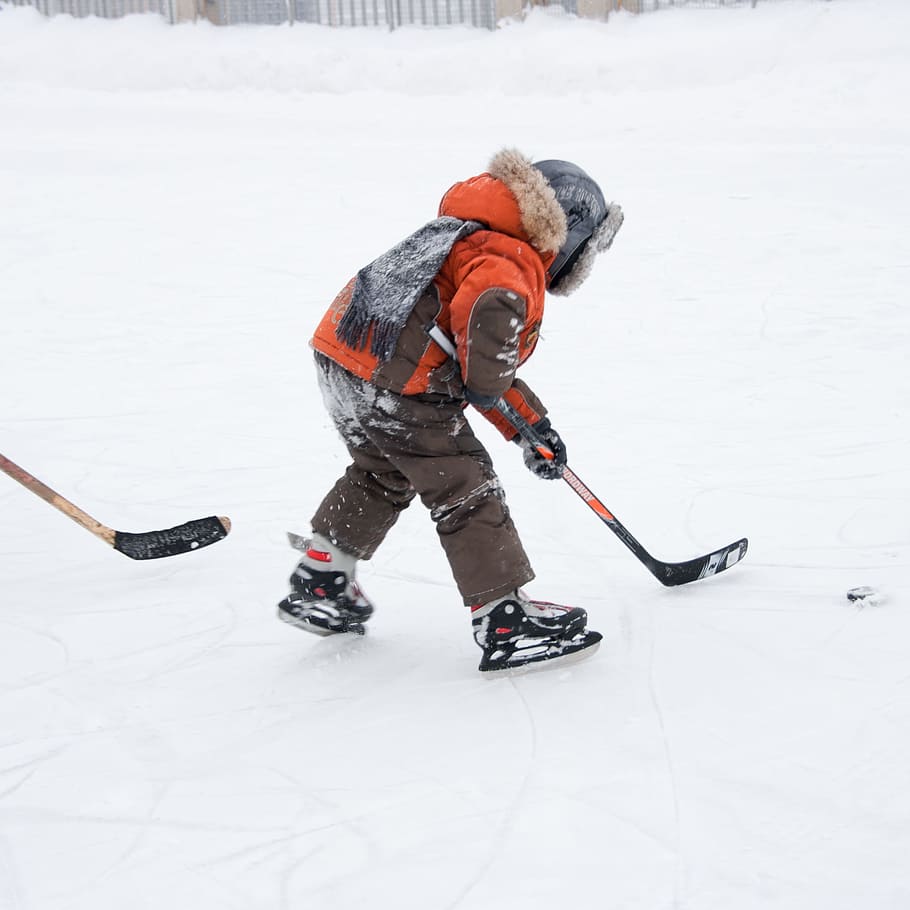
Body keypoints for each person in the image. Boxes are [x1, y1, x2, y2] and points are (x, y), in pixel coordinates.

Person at [278, 148, 623, 672]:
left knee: (382, 471)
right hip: (398, 380)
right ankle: (505, 620)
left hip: (349, 362)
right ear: (568, 233)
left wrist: (529, 427)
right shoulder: (509, 260)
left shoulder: (466, 235)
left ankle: (322, 579)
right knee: (464, 483)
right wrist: (505, 406)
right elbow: (484, 352)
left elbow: (470, 360)